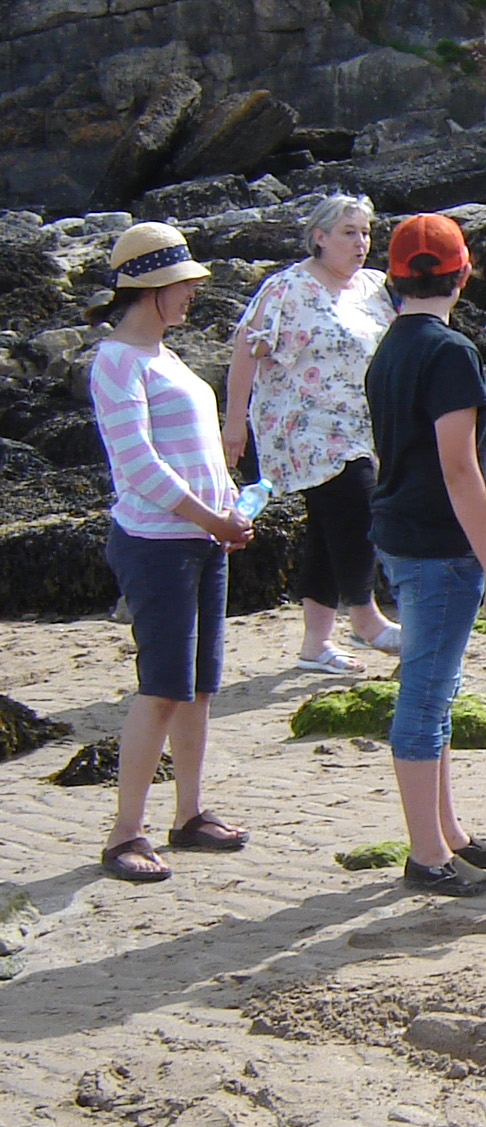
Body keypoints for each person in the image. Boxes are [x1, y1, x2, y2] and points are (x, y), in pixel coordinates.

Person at [365, 213, 486, 896]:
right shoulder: (449, 351)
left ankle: (449, 833)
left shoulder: (391, 348)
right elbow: (461, 467)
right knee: (426, 696)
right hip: (439, 545)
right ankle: (427, 855)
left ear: (395, 278)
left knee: (436, 688)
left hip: (403, 534)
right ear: (462, 273)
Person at [88, 222, 253, 882]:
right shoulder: (117, 360)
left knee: (197, 688)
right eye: (181, 284)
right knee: (160, 689)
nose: (190, 294)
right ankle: (125, 832)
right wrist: (211, 516)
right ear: (150, 288)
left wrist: (229, 504)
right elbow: (139, 464)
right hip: (159, 544)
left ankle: (188, 815)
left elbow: (197, 453)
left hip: (200, 538)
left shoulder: (163, 355)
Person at [223, 194, 400, 672]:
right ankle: (365, 618)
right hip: (305, 428)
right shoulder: (287, 289)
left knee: (326, 531)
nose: (361, 242)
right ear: (318, 237)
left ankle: (314, 645)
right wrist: (233, 422)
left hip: (363, 426)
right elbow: (247, 350)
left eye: (365, 232)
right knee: (360, 511)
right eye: (348, 232)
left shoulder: (374, 287)